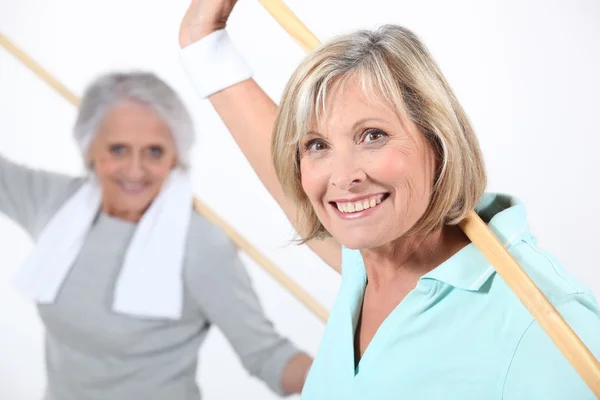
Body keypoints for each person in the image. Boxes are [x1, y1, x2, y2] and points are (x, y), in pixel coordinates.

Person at [177, 1, 600, 398]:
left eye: (373, 136)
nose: (343, 178)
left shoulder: (543, 323)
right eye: (317, 145)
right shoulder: (367, 257)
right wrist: (203, 42)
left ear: (438, 141)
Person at [0, 71, 312, 400]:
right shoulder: (56, 202)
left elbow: (268, 355)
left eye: (154, 152)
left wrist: (350, 385)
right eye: (118, 149)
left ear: (175, 157)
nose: (135, 171)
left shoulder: (200, 246)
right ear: (89, 149)